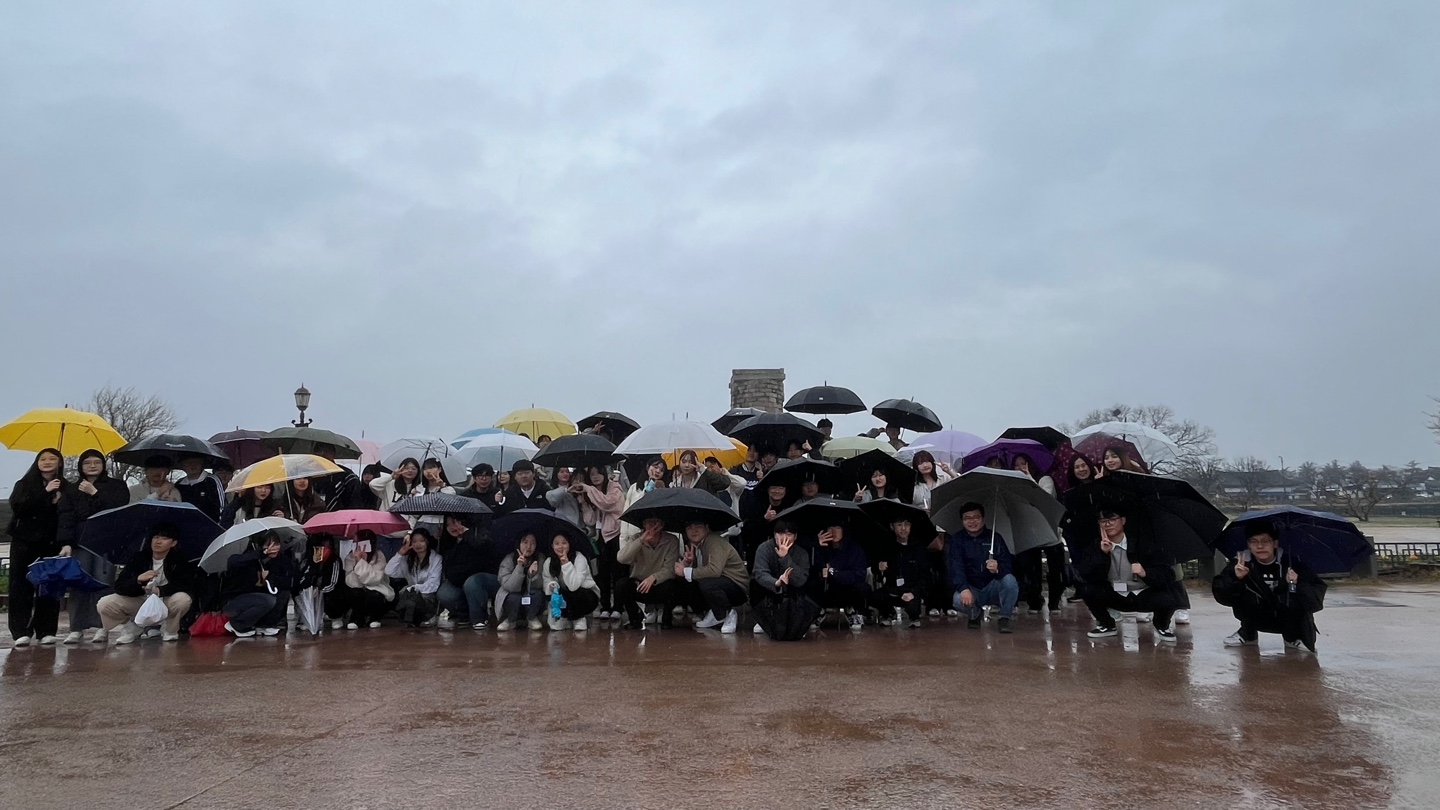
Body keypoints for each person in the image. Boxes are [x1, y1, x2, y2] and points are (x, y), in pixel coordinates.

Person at [1213, 521, 1326, 652]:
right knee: (1245, 594)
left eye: (1265, 541)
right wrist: (1237, 578)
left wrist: (1296, 583)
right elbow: (1222, 597)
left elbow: (1314, 602)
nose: (1260, 546)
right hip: (1257, 616)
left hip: (1288, 617)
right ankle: (1248, 635)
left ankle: (1293, 638)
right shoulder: (1241, 563)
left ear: (1275, 543)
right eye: (1254, 541)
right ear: (1248, 544)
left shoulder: (1293, 563)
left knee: (1294, 600)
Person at [56, 449, 129, 644]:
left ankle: (103, 627)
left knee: (103, 583)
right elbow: (66, 517)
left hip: (106, 542)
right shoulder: (72, 489)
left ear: (103, 465)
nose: (92, 466)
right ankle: (76, 628)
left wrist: (95, 493)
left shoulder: (116, 486)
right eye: (87, 463)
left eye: (97, 462)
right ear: (81, 466)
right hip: (81, 542)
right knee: (78, 584)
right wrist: (66, 543)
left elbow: (119, 508)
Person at [1080, 508, 1181, 642]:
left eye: (1112, 519)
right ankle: (1106, 624)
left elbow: (1167, 574)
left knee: (1170, 596)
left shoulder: (1142, 544)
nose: (1107, 524)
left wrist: (1145, 573)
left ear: (1123, 520)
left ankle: (1162, 626)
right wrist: (1102, 554)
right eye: (1103, 521)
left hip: (1143, 594)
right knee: (1087, 590)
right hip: (1115, 594)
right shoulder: (1095, 546)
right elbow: (1087, 574)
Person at [96, 522, 201, 644]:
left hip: (166, 600)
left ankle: (169, 629)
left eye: (164, 538)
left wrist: (160, 590)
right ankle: (132, 627)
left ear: (173, 543)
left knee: (183, 599)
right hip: (140, 600)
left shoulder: (179, 560)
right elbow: (119, 586)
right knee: (104, 603)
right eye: (156, 537)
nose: (158, 542)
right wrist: (138, 580)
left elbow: (185, 585)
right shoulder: (138, 558)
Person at [7, 448, 67, 646]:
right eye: (43, 459)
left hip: (51, 543)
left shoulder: (65, 486)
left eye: (52, 458)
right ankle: (20, 631)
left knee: (49, 586)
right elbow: (19, 507)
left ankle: (46, 630)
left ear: (59, 462)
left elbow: (69, 514)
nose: (47, 462)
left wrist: (58, 501)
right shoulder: (24, 484)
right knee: (21, 586)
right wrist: (45, 492)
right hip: (24, 543)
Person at [947, 502, 1019, 633]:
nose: (972, 521)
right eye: (967, 518)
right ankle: (975, 614)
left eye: (976, 517)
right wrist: (964, 588)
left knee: (1010, 581)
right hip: (972, 588)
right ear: (962, 521)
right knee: (957, 600)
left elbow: (1008, 565)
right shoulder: (957, 540)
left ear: (983, 519)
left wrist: (998, 568)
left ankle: (1004, 617)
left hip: (993, 586)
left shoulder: (995, 538)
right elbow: (956, 567)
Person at [1012, 453, 1065, 616]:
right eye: (1016, 465)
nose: (1020, 468)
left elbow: (1044, 500)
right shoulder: (1014, 485)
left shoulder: (1045, 479)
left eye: (1023, 463)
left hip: (1050, 532)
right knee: (1031, 570)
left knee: (1055, 570)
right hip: (1030, 532)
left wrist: (1030, 479)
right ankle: (1034, 601)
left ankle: (1054, 602)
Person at [676, 520, 750, 634]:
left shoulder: (714, 541)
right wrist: (690, 563)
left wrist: (686, 571)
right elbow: (700, 572)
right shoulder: (698, 545)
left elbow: (714, 570)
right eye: (689, 527)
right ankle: (713, 612)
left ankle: (728, 614)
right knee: (686, 581)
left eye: (698, 526)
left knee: (706, 583)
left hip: (737, 586)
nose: (693, 530)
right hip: (720, 582)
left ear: (707, 528)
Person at [222, 533, 300, 638]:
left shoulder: (282, 561)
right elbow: (232, 561)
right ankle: (237, 624)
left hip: (260, 599)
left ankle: (265, 625)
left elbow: (289, 583)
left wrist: (271, 576)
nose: (273, 548)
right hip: (237, 600)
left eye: (276, 544)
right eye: (268, 545)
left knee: (281, 594)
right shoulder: (251, 559)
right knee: (267, 601)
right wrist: (261, 554)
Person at [750, 520, 819, 639]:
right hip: (770, 592)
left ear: (795, 536)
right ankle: (765, 619)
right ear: (774, 534)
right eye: (781, 533)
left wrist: (785, 558)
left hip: (792, 593)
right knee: (755, 584)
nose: (784, 538)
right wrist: (776, 582)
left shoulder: (801, 553)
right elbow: (760, 573)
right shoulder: (764, 548)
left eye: (789, 534)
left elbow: (801, 579)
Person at [575, 465, 627, 618]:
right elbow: (590, 520)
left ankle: (618, 607)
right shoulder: (594, 494)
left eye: (598, 473)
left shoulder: (615, 489)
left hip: (617, 535)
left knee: (618, 572)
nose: (596, 477)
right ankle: (605, 606)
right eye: (592, 474)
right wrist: (584, 503)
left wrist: (588, 488)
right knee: (603, 573)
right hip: (601, 537)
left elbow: (607, 503)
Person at [436, 516, 504, 631]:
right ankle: (464, 614)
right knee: (444, 593)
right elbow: (448, 567)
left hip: (482, 578)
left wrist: (467, 534)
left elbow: (486, 550)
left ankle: (479, 618)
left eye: (456, 522)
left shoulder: (478, 533)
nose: (453, 526)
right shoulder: (448, 542)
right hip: (459, 579)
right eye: (448, 524)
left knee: (472, 583)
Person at [614, 517, 683, 629]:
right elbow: (621, 558)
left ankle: (666, 617)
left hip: (661, 584)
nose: (652, 525)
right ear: (643, 524)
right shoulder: (636, 538)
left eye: (656, 522)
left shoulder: (672, 540)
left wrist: (653, 578)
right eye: (649, 522)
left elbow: (670, 569)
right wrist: (641, 540)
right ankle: (635, 616)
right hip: (640, 584)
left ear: (662, 524)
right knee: (621, 585)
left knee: (674, 586)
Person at [871, 515, 931, 628]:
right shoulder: (886, 547)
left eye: (907, 524)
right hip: (892, 589)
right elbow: (877, 573)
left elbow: (926, 577)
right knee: (875, 596)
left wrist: (914, 592)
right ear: (892, 526)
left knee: (913, 606)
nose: (903, 528)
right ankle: (889, 613)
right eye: (899, 525)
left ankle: (914, 616)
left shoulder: (919, 548)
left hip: (911, 590)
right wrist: (878, 567)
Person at [808, 523, 871, 631]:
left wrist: (834, 573)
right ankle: (818, 612)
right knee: (811, 585)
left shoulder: (854, 548)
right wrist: (815, 546)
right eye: (830, 528)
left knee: (862, 587)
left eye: (837, 528)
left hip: (848, 588)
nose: (833, 531)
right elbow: (809, 569)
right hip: (827, 589)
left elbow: (859, 574)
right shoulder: (820, 547)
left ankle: (853, 612)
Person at [386, 527, 444, 626]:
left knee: (418, 597)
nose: (418, 544)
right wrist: (400, 553)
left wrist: (416, 588)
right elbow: (389, 571)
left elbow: (434, 583)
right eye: (414, 541)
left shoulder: (436, 559)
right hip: (411, 596)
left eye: (421, 541)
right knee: (404, 594)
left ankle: (428, 617)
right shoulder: (408, 559)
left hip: (428, 595)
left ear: (427, 541)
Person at [542, 532, 601, 631]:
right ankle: (565, 616)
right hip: (565, 594)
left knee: (576, 593)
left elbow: (574, 586)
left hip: (585, 595)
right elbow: (547, 580)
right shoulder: (549, 561)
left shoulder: (579, 558)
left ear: (570, 543)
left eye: (564, 543)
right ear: (552, 546)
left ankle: (578, 618)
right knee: (554, 596)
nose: (560, 546)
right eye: (557, 543)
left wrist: (566, 564)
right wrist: (551, 585)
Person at [336, 534, 393, 629]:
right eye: (354, 542)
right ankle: (357, 617)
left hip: (376, 590)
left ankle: (374, 617)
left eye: (358, 542)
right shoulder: (350, 557)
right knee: (355, 593)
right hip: (358, 592)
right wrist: (357, 562)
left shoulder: (379, 556)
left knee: (374, 594)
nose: (355, 545)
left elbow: (375, 579)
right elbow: (351, 582)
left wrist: (362, 564)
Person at [494, 532, 547, 631]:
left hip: (530, 598)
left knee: (537, 594)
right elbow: (510, 587)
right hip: (513, 598)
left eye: (533, 543)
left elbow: (541, 584)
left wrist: (532, 575)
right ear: (518, 543)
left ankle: (531, 618)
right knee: (512, 597)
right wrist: (519, 567)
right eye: (525, 542)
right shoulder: (509, 559)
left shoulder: (540, 559)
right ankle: (511, 620)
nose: (529, 546)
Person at [312, 443, 369, 511]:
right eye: (318, 454)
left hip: (342, 515)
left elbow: (356, 505)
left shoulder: (347, 477)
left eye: (325, 453)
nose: (322, 457)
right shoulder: (307, 475)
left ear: (333, 455)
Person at [174, 453, 227, 522]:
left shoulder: (212, 481)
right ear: (182, 465)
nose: (193, 465)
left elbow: (221, 507)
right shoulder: (179, 484)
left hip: (209, 525)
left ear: (202, 464)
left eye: (196, 462)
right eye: (188, 463)